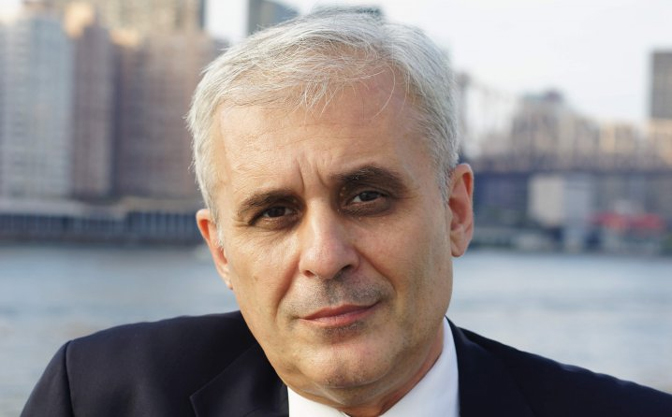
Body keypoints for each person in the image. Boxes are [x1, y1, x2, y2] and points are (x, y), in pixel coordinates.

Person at [22, 9, 672, 417]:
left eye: (367, 197)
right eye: (274, 212)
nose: (325, 256)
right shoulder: (100, 396)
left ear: (455, 211)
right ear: (221, 251)